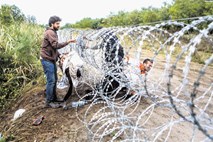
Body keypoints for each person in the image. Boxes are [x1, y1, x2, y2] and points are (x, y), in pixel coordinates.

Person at [40, 16, 76, 108]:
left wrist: (59, 55)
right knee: (51, 81)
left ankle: (54, 98)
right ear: (52, 24)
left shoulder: (52, 32)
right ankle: (49, 101)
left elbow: (52, 48)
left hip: (50, 59)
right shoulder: (50, 32)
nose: (59, 25)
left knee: (54, 79)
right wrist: (68, 42)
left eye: (59, 23)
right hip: (47, 60)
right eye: (57, 23)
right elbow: (55, 45)